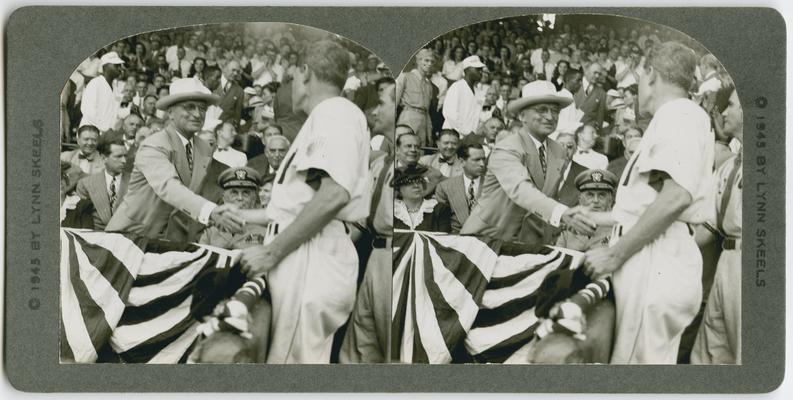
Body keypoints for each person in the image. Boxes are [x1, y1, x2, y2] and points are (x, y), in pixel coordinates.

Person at [237, 40, 371, 364]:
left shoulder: (335, 112)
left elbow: (334, 194)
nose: (292, 86)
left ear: (306, 72)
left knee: (289, 367)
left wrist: (271, 251)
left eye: (292, 77)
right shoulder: (328, 115)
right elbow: (295, 205)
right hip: (307, 249)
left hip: (311, 255)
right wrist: (240, 215)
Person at [582, 41, 714, 364]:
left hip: (655, 258)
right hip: (656, 251)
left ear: (651, 74)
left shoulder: (678, 113)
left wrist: (614, 254)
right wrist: (600, 219)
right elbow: (652, 199)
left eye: (640, 78)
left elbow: (677, 196)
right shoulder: (678, 116)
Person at [105, 78, 244, 240]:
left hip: (172, 241)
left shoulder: (204, 148)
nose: (197, 114)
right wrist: (211, 212)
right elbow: (169, 187)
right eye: (189, 107)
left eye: (202, 108)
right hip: (129, 236)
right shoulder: (153, 144)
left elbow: (192, 195)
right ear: (170, 112)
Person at [461, 80, 596, 245]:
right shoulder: (506, 148)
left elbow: (546, 198)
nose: (549, 116)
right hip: (485, 241)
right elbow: (522, 190)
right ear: (522, 116)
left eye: (555, 111)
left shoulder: (557, 151)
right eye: (541, 110)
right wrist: (561, 214)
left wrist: (565, 224)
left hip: (530, 245)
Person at [340, 81, 396, 363]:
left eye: (382, 103)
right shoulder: (379, 164)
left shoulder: (415, 168)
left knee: (391, 343)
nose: (375, 110)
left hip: (397, 261)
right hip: (374, 258)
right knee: (360, 341)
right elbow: (361, 221)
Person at [691, 84, 742, 364]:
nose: (724, 112)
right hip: (726, 262)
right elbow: (706, 228)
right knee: (709, 351)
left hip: (752, 264)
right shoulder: (728, 166)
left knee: (748, 353)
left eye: (732, 105)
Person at [199, 167, 269, 249]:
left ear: (253, 199)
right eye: (234, 193)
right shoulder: (211, 233)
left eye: (245, 193)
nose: (240, 198)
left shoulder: (266, 231)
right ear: (224, 198)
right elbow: (200, 259)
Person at [74, 138, 129, 230]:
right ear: (104, 158)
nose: (124, 160)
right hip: (96, 238)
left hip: (128, 239)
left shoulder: (135, 183)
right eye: (118, 156)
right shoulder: (86, 184)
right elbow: (82, 221)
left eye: (125, 156)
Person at [556, 169, 617, 251]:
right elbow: (557, 257)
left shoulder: (617, 229)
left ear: (610, 200)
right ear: (580, 200)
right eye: (590, 195)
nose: (595, 200)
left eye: (601, 195)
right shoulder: (570, 229)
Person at [434, 143, 486, 233]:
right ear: (462, 162)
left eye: (483, 159)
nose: (482, 164)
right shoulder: (445, 187)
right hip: (456, 240)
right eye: (477, 160)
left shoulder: (494, 186)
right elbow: (443, 223)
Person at [393, 164, 451, 232]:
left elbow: (444, 239)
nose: (416, 185)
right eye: (409, 182)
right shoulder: (393, 210)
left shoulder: (439, 209)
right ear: (398, 190)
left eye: (419, 181)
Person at [396, 49, 435, 146]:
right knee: (405, 146)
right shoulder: (405, 77)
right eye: (426, 60)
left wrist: (429, 132)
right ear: (418, 61)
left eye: (432, 61)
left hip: (423, 121)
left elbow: (427, 110)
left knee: (419, 151)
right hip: (408, 117)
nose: (429, 64)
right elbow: (394, 102)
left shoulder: (428, 85)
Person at [442, 56, 486, 139]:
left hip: (470, 137)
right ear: (467, 70)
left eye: (481, 69)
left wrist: (472, 132)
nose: (481, 72)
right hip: (452, 135)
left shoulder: (479, 92)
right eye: (477, 69)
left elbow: (477, 116)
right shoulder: (457, 87)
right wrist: (466, 132)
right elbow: (450, 114)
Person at [81, 51, 124, 134]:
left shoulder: (116, 87)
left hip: (106, 134)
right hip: (90, 132)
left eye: (120, 66)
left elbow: (114, 113)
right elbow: (88, 111)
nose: (120, 68)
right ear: (106, 67)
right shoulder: (95, 83)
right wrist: (104, 129)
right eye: (116, 66)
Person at [555, 132, 588, 208]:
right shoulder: (543, 168)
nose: (564, 149)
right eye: (560, 145)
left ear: (575, 150)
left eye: (569, 146)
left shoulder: (584, 174)